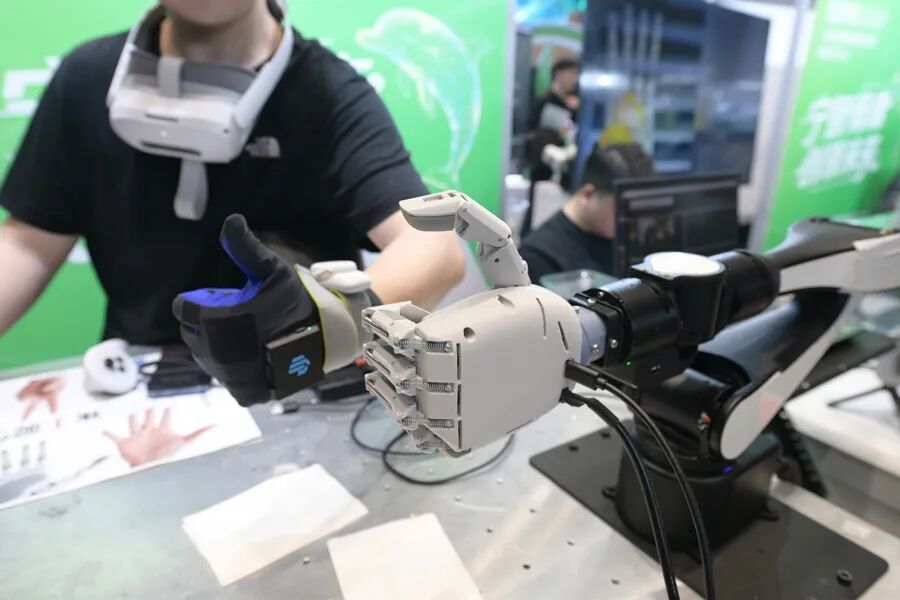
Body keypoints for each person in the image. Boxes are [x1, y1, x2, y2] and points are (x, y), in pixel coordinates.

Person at [0, 0, 464, 350]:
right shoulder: (87, 77)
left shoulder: (326, 93)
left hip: (294, 380)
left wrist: (319, 335)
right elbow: (29, 242)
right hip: (138, 378)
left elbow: (434, 248)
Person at [519, 142, 655, 283]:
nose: (632, 221)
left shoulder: (624, 240)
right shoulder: (539, 257)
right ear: (587, 195)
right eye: (623, 211)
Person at [523, 57, 581, 237]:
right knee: (537, 211)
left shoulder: (576, 103)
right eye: (569, 74)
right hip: (544, 166)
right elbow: (531, 131)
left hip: (566, 169)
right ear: (558, 74)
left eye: (575, 75)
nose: (572, 79)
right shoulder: (544, 100)